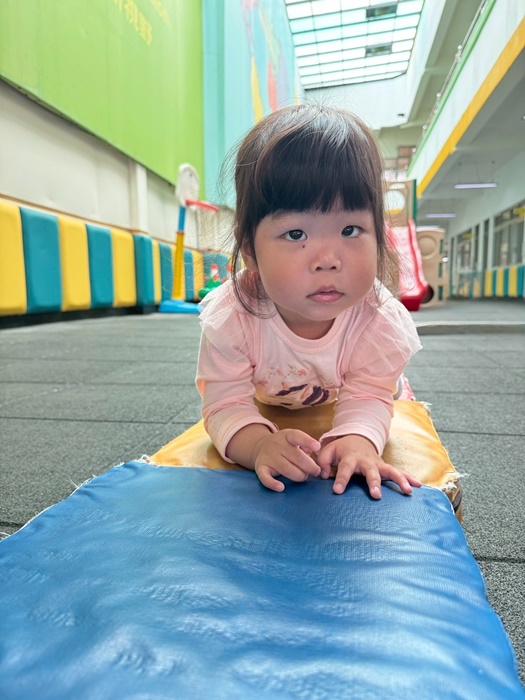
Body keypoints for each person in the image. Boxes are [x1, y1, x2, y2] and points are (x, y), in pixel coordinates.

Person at [196, 104, 423, 498]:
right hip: (270, 399)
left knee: (385, 403)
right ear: (250, 251)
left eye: (350, 229)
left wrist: (358, 440)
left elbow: (368, 395)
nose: (327, 260)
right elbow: (224, 403)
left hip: (350, 388)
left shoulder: (377, 321)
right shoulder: (233, 318)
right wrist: (257, 445)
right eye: (296, 234)